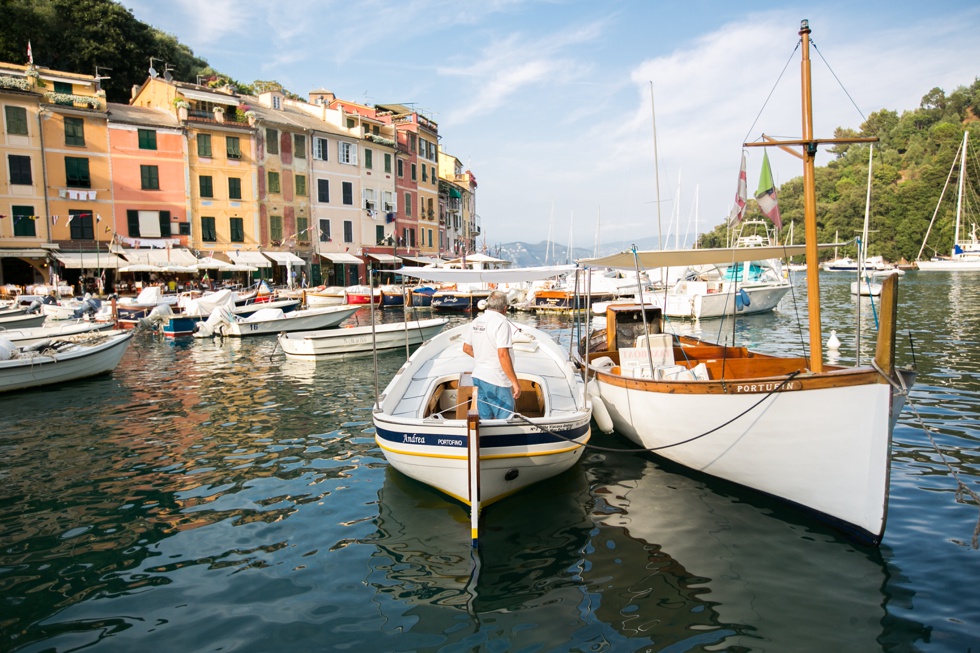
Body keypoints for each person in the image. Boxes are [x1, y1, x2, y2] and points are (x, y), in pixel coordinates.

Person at [462, 290, 521, 419]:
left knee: (485, 419)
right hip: (497, 379)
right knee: (505, 420)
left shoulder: (476, 321)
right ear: (505, 308)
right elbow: (503, 355)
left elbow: (466, 348)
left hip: (479, 376)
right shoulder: (501, 323)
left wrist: (483, 357)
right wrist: (515, 382)